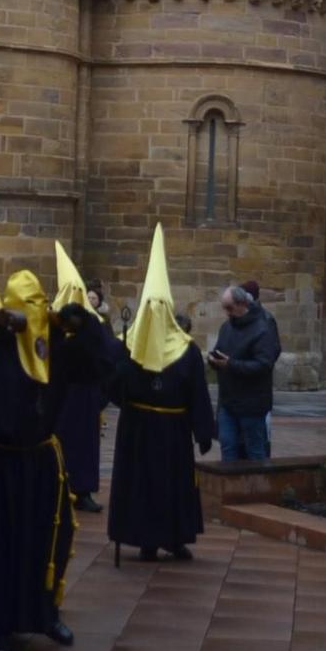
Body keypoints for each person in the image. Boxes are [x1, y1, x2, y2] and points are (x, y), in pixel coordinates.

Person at [0, 267, 103, 651]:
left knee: (46, 540)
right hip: (0, 463)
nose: (35, 311)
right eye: (27, 304)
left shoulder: (53, 349)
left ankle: (43, 612)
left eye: (40, 302)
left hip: (41, 460)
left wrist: (83, 325)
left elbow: (102, 365)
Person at [106, 225, 214, 564]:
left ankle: (175, 538)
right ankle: (144, 539)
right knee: (141, 485)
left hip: (172, 431)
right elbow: (112, 386)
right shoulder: (128, 344)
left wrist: (203, 430)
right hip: (137, 427)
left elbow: (197, 391)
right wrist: (121, 374)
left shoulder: (186, 350)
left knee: (173, 484)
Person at [52, 243, 106, 515]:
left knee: (84, 445)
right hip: (60, 395)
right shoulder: (54, 322)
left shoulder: (92, 325)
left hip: (84, 394)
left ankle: (83, 489)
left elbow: (100, 356)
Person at [209, 282, 280, 460]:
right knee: (228, 446)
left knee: (255, 450)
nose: (227, 312)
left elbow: (264, 365)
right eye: (224, 308)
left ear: (242, 305)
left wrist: (230, 364)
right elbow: (220, 350)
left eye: (229, 308)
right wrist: (214, 360)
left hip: (252, 404)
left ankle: (259, 486)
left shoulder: (263, 328)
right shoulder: (226, 327)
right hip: (228, 403)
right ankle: (231, 487)